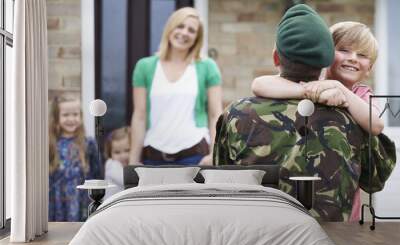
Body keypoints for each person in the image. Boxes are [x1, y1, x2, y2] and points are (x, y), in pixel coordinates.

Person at [214, 4, 371, 221]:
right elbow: (374, 181)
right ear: (326, 65)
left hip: (258, 242)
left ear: (276, 58)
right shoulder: (353, 117)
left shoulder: (236, 114)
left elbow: (221, 183)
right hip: (332, 244)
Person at [251, 21, 383, 222]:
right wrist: (309, 91)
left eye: (362, 55)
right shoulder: (310, 82)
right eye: (344, 50)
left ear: (369, 68)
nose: (353, 59)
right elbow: (259, 84)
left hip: (340, 202)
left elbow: (376, 125)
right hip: (295, 186)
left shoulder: (361, 94)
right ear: (327, 55)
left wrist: (340, 89)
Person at [129, 7, 223, 166]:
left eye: (191, 30)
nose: (185, 33)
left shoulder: (207, 67)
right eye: (180, 26)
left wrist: (215, 154)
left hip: (195, 156)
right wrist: (133, 160)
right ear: (170, 28)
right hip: (153, 157)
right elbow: (139, 115)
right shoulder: (144, 67)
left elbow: (215, 114)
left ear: (197, 38)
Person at [49, 93, 101, 222]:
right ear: (56, 118)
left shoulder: (89, 143)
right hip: (57, 201)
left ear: (81, 116)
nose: (71, 119)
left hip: (82, 200)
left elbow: (97, 173)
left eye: (75, 114)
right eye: (66, 115)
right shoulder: (50, 143)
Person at [104, 126, 130, 199]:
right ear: (110, 153)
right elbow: (125, 181)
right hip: (112, 206)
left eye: (127, 150)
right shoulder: (111, 164)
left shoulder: (128, 164)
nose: (123, 156)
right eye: (117, 152)